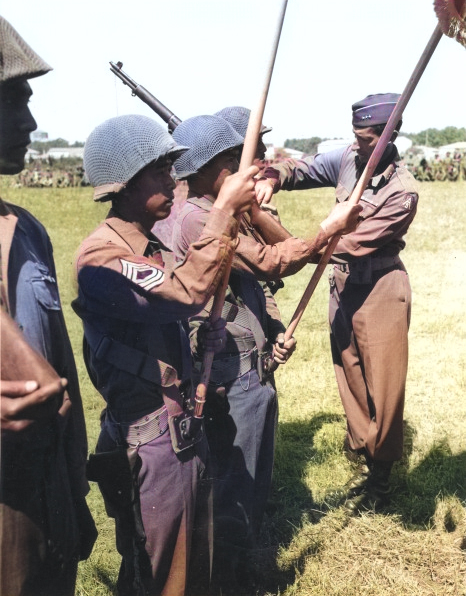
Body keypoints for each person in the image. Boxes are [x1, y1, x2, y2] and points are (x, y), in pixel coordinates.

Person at [171, 114, 361, 589]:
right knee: (239, 482)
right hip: (232, 372)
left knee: (242, 477)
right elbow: (274, 260)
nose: (250, 169)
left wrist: (273, 326)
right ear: (215, 167)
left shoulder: (210, 207)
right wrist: (329, 227)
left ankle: (233, 566)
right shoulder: (200, 215)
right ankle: (235, 578)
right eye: (238, 162)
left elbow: (256, 280)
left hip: (243, 358)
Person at [72, 113, 259, 596]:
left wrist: (197, 346)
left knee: (191, 566)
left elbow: (158, 322)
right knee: (162, 577)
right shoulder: (103, 258)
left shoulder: (150, 248)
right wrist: (221, 214)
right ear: (126, 184)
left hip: (178, 431)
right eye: (160, 171)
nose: (173, 180)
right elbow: (182, 293)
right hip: (150, 440)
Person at [256, 93, 419, 514]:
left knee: (383, 388)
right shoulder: (349, 157)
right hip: (343, 288)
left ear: (389, 135)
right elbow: (303, 168)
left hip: (380, 289)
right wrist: (272, 176)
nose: (359, 145)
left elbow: (345, 245)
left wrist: (284, 239)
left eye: (367, 139)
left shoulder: (403, 192)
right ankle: (365, 457)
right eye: (356, 137)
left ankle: (380, 485)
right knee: (350, 375)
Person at [0, 15, 96, 596]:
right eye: (12, 101)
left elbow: (61, 377)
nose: (31, 121)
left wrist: (73, 495)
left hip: (42, 501)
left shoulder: (26, 229)